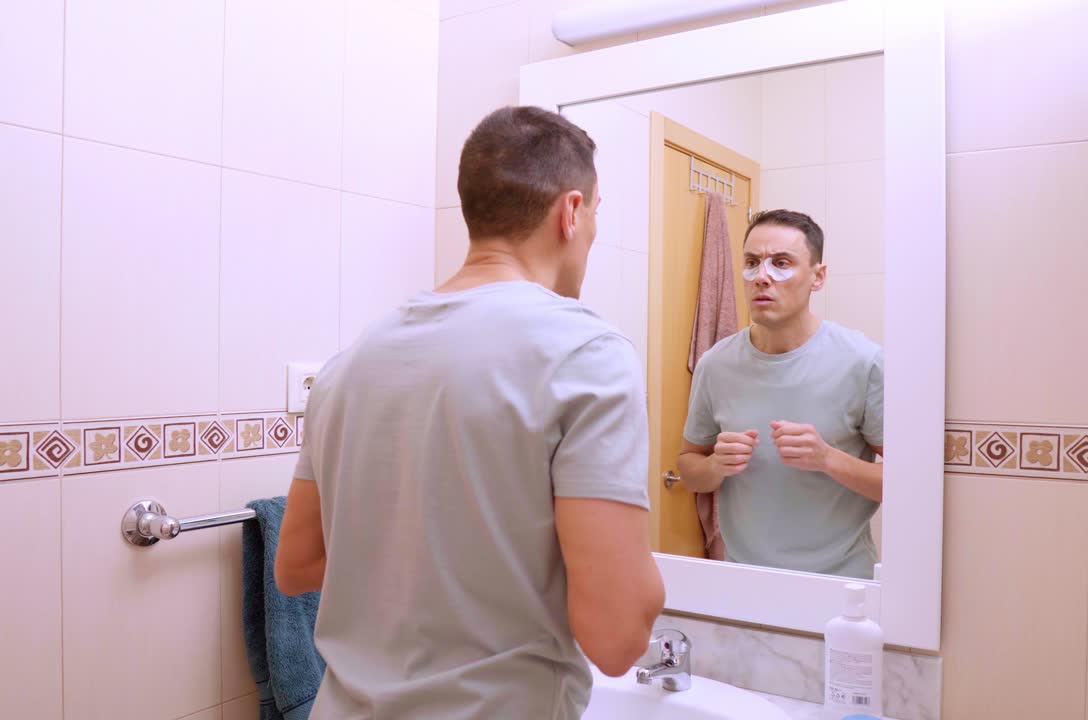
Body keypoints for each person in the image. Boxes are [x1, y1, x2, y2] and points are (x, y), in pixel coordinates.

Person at [274, 106, 665, 719]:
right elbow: (616, 640)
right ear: (570, 212)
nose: (591, 233)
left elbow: (296, 566)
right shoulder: (585, 353)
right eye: (595, 212)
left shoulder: (350, 363)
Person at [675, 209, 884, 578]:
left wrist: (828, 459)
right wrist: (714, 467)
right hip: (745, 578)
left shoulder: (863, 362)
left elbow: (906, 485)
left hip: (842, 583)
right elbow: (689, 468)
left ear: (818, 277)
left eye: (782, 263)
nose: (762, 277)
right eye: (752, 263)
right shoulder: (715, 365)